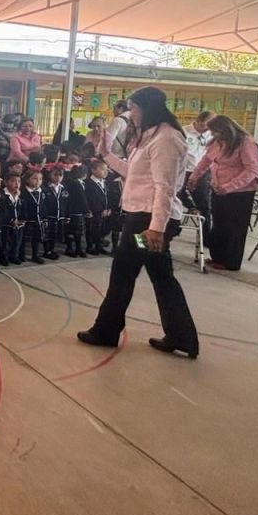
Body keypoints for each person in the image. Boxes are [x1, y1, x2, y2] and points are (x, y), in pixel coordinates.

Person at [78, 86, 199, 360]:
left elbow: (164, 187)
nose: (129, 114)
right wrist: (106, 154)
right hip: (142, 217)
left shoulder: (166, 139)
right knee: (160, 275)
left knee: (124, 271)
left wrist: (156, 228)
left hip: (147, 222)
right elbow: (134, 173)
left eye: (132, 108)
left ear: (147, 108)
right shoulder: (150, 135)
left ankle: (106, 331)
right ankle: (181, 337)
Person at [187, 116, 258, 272]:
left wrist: (229, 186)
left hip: (240, 192)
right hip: (218, 188)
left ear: (226, 129)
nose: (213, 134)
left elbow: (252, 170)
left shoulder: (245, 142)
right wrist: (194, 177)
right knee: (220, 224)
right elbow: (206, 161)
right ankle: (218, 257)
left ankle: (231, 262)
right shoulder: (216, 142)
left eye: (215, 131)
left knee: (234, 227)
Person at [181, 111, 213, 243]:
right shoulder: (184, 132)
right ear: (198, 121)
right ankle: (191, 208)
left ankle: (206, 237)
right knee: (179, 194)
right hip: (185, 170)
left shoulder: (211, 134)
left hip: (202, 172)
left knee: (204, 203)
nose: (206, 129)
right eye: (204, 126)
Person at [85, 159, 112, 255]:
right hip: (94, 212)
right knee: (92, 229)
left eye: (107, 169)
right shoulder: (88, 183)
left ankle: (99, 246)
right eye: (103, 169)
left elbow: (107, 196)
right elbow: (89, 199)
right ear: (93, 170)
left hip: (104, 211)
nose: (106, 172)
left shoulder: (104, 182)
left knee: (101, 229)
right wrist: (99, 210)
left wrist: (108, 208)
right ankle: (90, 247)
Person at [20, 169, 45, 264]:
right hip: (27, 220)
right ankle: (21, 254)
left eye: (40, 179)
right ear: (27, 179)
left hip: (38, 220)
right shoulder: (23, 192)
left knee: (36, 238)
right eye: (34, 178)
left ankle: (35, 255)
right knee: (24, 238)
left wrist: (44, 217)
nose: (38, 181)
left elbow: (45, 206)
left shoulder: (42, 191)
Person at [63, 164, 89, 258]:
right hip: (74, 211)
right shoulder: (75, 184)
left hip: (76, 211)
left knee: (77, 232)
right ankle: (70, 248)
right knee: (72, 231)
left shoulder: (78, 183)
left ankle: (78, 248)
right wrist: (87, 210)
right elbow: (82, 199)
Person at [0, 173, 24, 265]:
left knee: (17, 241)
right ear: (6, 182)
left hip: (18, 224)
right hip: (6, 225)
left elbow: (23, 209)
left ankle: (14, 256)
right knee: (5, 242)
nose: (16, 184)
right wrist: (11, 220)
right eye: (13, 181)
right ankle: (4, 257)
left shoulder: (20, 195)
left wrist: (23, 219)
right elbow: (2, 211)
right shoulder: (2, 196)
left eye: (19, 181)